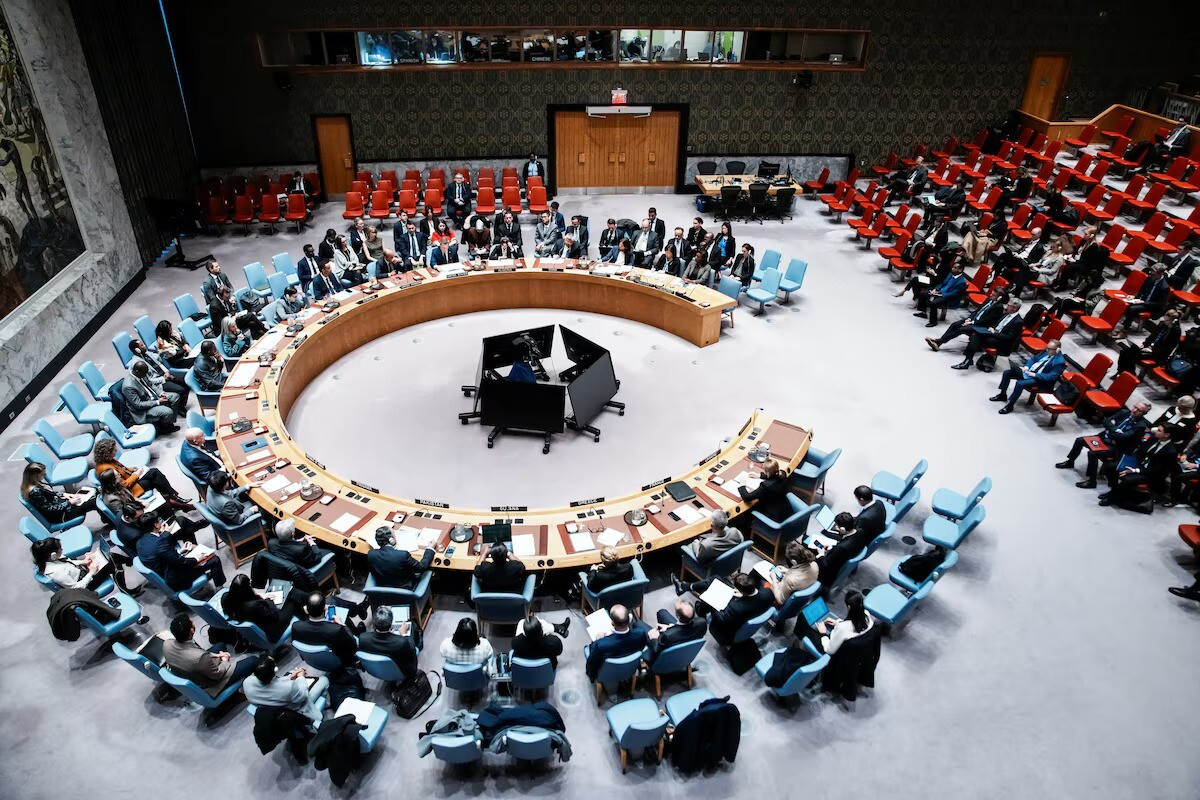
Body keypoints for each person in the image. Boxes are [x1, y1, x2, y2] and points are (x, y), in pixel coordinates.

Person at [1057, 400, 1152, 487]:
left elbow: (1122, 437)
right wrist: (1116, 430)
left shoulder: (1140, 426)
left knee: (1092, 453)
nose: (1134, 410)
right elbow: (1106, 421)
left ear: (1144, 413)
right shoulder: (1125, 412)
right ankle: (1070, 462)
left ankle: (1092, 481)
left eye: (1138, 410)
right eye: (1135, 407)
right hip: (1104, 437)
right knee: (1080, 440)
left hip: (1115, 447)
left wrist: (1112, 427)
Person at [163, 613, 261, 690]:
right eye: (191, 622)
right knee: (253, 660)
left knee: (220, 646)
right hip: (213, 681)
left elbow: (200, 654)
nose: (192, 620)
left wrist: (217, 655)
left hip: (195, 667)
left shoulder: (167, 643)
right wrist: (224, 659)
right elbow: (217, 674)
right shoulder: (199, 657)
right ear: (191, 631)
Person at [675, 572, 773, 646]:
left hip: (726, 632)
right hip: (747, 610)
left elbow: (721, 619)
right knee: (715, 579)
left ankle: (698, 604)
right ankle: (687, 588)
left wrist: (712, 601)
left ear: (741, 590)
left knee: (710, 594)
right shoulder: (768, 593)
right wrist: (743, 596)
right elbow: (754, 600)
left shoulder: (736, 608)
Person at [1099, 425, 1177, 508]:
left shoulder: (1171, 451)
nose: (1155, 431)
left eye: (1159, 430)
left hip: (1150, 474)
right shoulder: (1153, 439)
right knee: (1110, 467)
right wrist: (1129, 462)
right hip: (1139, 464)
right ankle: (1113, 491)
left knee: (1127, 479)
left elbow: (1158, 470)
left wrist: (1135, 470)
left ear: (1167, 435)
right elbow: (1140, 452)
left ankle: (1113, 498)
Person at [136, 517, 226, 588]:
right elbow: (182, 562)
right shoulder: (160, 543)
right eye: (159, 521)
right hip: (177, 578)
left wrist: (180, 551)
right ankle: (220, 588)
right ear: (156, 525)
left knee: (188, 534)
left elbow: (161, 556)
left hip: (166, 570)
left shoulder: (140, 542)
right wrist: (196, 558)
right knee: (214, 559)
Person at [221, 573, 310, 644]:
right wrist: (268, 600)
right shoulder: (255, 605)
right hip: (272, 628)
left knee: (293, 595)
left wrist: (260, 597)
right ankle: (312, 609)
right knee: (293, 596)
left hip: (258, 623)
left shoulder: (225, 598)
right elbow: (274, 615)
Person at [94, 437, 188, 504]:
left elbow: (121, 469)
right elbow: (123, 485)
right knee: (154, 478)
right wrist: (136, 474)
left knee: (154, 474)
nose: (116, 451)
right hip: (128, 490)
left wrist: (133, 469)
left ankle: (170, 498)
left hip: (130, 477)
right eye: (114, 450)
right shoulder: (105, 468)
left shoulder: (107, 460)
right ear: (108, 453)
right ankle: (172, 498)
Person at [242, 656, 328, 727]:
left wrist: (289, 677)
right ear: (275, 670)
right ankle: (325, 705)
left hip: (273, 710)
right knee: (324, 680)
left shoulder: (247, 682)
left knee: (290, 673)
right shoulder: (288, 687)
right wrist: (301, 678)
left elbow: (274, 685)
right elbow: (303, 696)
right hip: (296, 709)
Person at [31, 537, 137, 594]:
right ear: (53, 555)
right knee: (113, 562)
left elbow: (68, 563)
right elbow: (76, 588)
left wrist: (84, 561)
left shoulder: (52, 559)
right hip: (85, 585)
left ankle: (131, 562)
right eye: (60, 549)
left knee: (111, 557)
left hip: (83, 571)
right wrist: (91, 572)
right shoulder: (56, 573)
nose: (62, 551)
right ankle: (127, 587)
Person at [991, 339, 1066, 413]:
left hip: (1040, 380)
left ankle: (1010, 405)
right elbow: (1034, 359)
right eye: (1047, 348)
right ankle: (1002, 395)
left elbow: (1050, 377)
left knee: (1020, 383)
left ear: (1057, 350)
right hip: (1029, 372)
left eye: (1049, 349)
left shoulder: (1059, 362)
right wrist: (1027, 366)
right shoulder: (1046, 351)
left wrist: (1035, 374)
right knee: (1007, 372)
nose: (1047, 350)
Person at [925, 286, 1009, 352]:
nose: (990, 295)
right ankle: (939, 342)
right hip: (974, 320)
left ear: (999, 298)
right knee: (955, 324)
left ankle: (938, 342)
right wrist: (969, 319)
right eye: (991, 293)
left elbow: (986, 320)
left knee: (961, 329)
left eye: (993, 295)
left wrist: (972, 322)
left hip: (982, 326)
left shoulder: (998, 307)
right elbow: (977, 311)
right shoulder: (988, 300)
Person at [951, 298, 1024, 369]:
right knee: (975, 335)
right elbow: (996, 323)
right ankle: (968, 360)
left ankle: (967, 360)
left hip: (1001, 342)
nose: (1006, 307)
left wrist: (993, 333)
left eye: (1008, 305)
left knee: (976, 337)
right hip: (993, 334)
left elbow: (1008, 337)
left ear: (1014, 308)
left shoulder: (1018, 321)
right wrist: (992, 328)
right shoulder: (1006, 314)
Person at [292, 593, 361, 667]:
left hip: (314, 660)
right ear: (325, 608)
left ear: (306, 609)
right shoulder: (337, 630)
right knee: (342, 615)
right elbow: (353, 646)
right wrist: (341, 625)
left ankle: (359, 610)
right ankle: (359, 612)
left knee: (331, 600)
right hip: (340, 660)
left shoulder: (296, 626)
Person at [584, 604, 649, 680]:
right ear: (629, 618)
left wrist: (597, 640)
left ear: (612, 622)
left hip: (607, 674)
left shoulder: (601, 644)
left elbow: (592, 664)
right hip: (631, 669)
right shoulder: (641, 634)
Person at [814, 512, 876, 587]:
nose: (835, 527)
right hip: (844, 556)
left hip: (828, 574)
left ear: (843, 529)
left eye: (836, 525)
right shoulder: (861, 532)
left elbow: (826, 565)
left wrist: (821, 554)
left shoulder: (841, 548)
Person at [357, 606, 419, 680]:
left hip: (378, 670)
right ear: (391, 623)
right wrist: (404, 635)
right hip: (401, 671)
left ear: (374, 623)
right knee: (413, 627)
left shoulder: (363, 638)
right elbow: (412, 651)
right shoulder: (401, 642)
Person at [128, 339, 189, 412]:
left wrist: (166, 372)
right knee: (180, 389)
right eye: (142, 345)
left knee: (186, 380)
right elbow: (149, 381)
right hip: (158, 383)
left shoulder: (146, 353)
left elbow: (159, 364)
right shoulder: (138, 365)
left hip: (164, 375)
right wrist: (164, 378)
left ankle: (182, 403)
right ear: (137, 350)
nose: (145, 346)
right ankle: (180, 408)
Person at [1116, 308, 1182, 376]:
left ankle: (1129, 374)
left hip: (1158, 354)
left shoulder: (1175, 331)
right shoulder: (1162, 324)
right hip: (1149, 349)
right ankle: (1121, 372)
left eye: (1167, 320)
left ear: (1174, 321)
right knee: (1124, 351)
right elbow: (1152, 336)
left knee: (1130, 355)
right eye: (1165, 319)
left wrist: (1152, 350)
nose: (1165, 321)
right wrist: (1145, 344)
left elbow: (1167, 348)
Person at [368, 526, 435, 589]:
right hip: (405, 589)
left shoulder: (371, 554)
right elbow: (421, 567)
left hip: (382, 589)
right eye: (394, 534)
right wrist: (430, 549)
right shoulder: (402, 555)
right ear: (391, 540)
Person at [122, 360, 179, 433]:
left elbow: (151, 385)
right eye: (144, 373)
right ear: (137, 371)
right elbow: (138, 405)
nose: (146, 375)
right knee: (168, 412)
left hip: (153, 397)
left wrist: (160, 393)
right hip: (143, 409)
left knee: (175, 397)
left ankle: (168, 423)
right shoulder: (128, 386)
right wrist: (157, 402)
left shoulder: (141, 373)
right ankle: (163, 428)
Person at [1113, 266, 1169, 339]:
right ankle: (1116, 325)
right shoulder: (1150, 278)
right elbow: (1141, 290)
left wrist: (1144, 302)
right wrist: (1134, 297)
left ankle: (1124, 331)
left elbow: (1160, 304)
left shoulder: (1164, 287)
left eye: (1153, 273)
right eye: (1151, 272)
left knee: (1132, 309)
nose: (1151, 274)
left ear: (1160, 274)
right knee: (1123, 303)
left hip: (1152, 307)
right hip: (1143, 302)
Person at [918, 262, 968, 327]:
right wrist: (936, 289)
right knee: (923, 294)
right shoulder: (950, 274)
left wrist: (942, 295)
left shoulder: (962, 282)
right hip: (940, 291)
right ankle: (923, 313)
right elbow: (943, 283)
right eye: (953, 267)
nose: (952, 269)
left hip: (948, 297)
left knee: (933, 303)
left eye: (955, 268)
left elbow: (955, 293)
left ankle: (933, 322)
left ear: (960, 270)